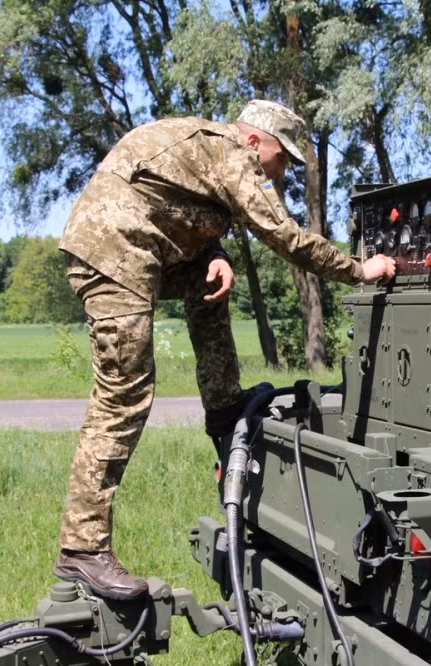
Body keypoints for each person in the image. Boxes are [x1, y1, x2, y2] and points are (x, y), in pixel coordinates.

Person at [53, 99, 397, 600]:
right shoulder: (232, 151)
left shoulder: (206, 150)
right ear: (256, 140)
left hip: (128, 247)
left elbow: (168, 207)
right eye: (283, 161)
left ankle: (222, 404)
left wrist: (214, 255)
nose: (281, 175)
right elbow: (282, 234)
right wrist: (358, 270)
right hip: (114, 255)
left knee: (211, 283)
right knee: (123, 395)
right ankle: (82, 549)